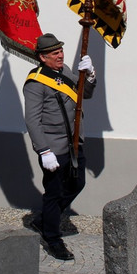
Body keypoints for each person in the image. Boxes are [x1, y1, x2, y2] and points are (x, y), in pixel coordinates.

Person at [23, 32, 95, 261]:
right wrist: (43, 151)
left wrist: (90, 76)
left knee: (78, 183)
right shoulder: (35, 81)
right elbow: (32, 120)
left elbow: (85, 96)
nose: (60, 56)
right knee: (53, 194)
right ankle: (52, 238)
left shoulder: (64, 72)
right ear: (43, 57)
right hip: (53, 147)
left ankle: (43, 220)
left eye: (61, 51)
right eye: (55, 53)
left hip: (74, 142)